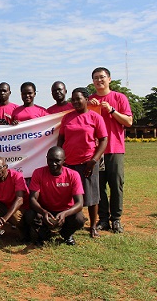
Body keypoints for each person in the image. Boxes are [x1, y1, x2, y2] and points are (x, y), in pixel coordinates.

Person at [58, 87, 107, 238]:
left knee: (92, 196)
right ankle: (72, 223)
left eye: (78, 99)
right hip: (69, 164)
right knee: (70, 197)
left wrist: (94, 160)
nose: (75, 102)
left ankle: (93, 226)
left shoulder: (95, 117)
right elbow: (61, 138)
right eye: (73, 99)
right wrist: (61, 156)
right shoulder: (67, 118)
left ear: (86, 99)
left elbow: (104, 139)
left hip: (88, 163)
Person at [89, 67, 133, 233]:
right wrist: (87, 105)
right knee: (99, 186)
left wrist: (112, 110)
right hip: (96, 151)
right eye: (95, 78)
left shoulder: (119, 98)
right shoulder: (90, 100)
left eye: (102, 77)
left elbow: (128, 121)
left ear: (109, 79)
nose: (99, 80)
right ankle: (103, 219)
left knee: (116, 184)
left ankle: (116, 219)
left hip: (115, 149)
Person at [25, 146, 86, 245]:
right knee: (30, 215)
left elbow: (79, 203)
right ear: (46, 158)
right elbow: (32, 199)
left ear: (64, 161)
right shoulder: (38, 173)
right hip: (46, 210)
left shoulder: (73, 175)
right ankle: (44, 234)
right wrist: (44, 212)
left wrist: (65, 214)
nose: (53, 164)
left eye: (57, 161)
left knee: (79, 219)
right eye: (50, 160)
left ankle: (66, 234)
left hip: (65, 211)